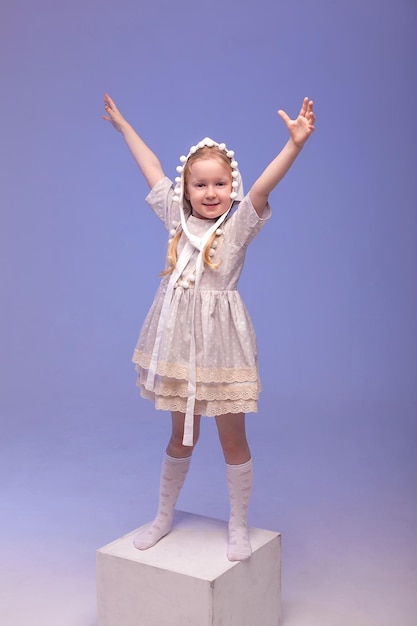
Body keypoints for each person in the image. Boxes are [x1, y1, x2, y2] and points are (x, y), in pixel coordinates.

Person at [102, 93, 315, 561]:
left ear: (230, 186)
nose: (211, 192)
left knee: (231, 437)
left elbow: (261, 189)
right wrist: (123, 126)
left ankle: (238, 525)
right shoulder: (175, 220)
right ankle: (162, 516)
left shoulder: (236, 227)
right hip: (179, 340)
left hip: (222, 345)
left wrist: (294, 145)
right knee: (179, 435)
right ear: (187, 190)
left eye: (220, 183)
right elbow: (152, 165)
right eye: (201, 185)